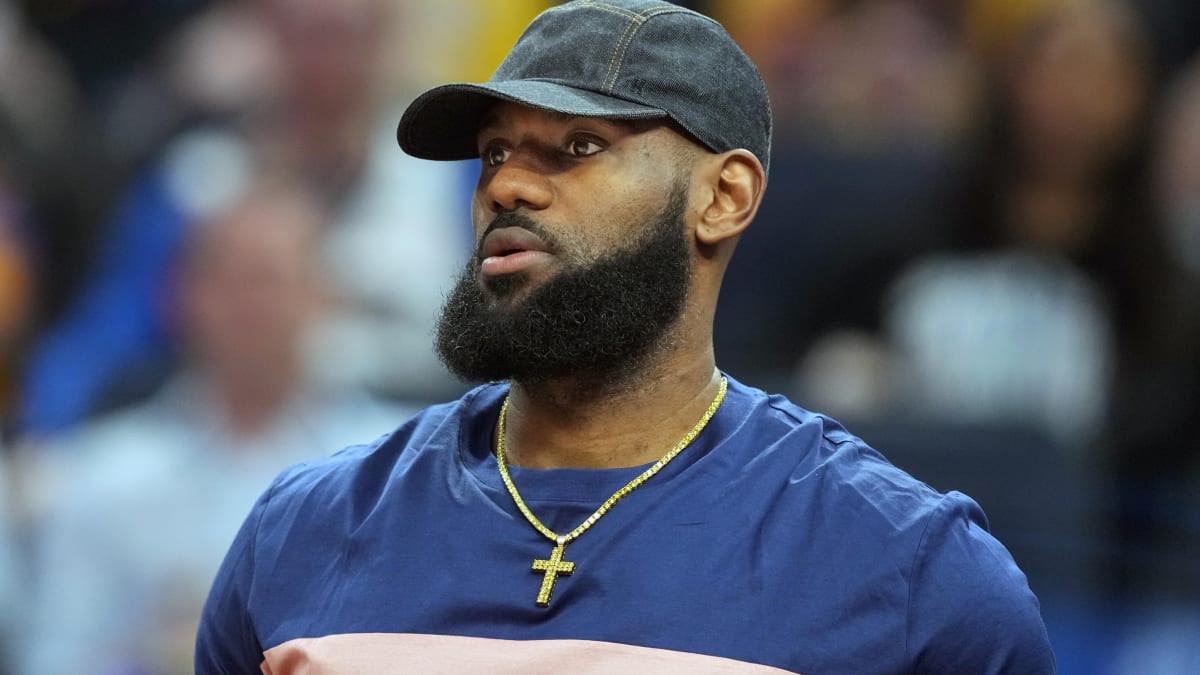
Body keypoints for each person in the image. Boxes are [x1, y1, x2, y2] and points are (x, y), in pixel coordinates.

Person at [196, 2, 1054, 673]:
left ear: (723, 197)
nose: (510, 189)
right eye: (496, 154)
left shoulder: (906, 570)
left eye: (576, 146)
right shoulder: (303, 531)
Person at [21, 181, 414, 675]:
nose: (248, 305)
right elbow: (60, 658)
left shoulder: (396, 471)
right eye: (225, 279)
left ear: (323, 295)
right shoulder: (102, 479)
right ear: (179, 297)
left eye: (268, 280)